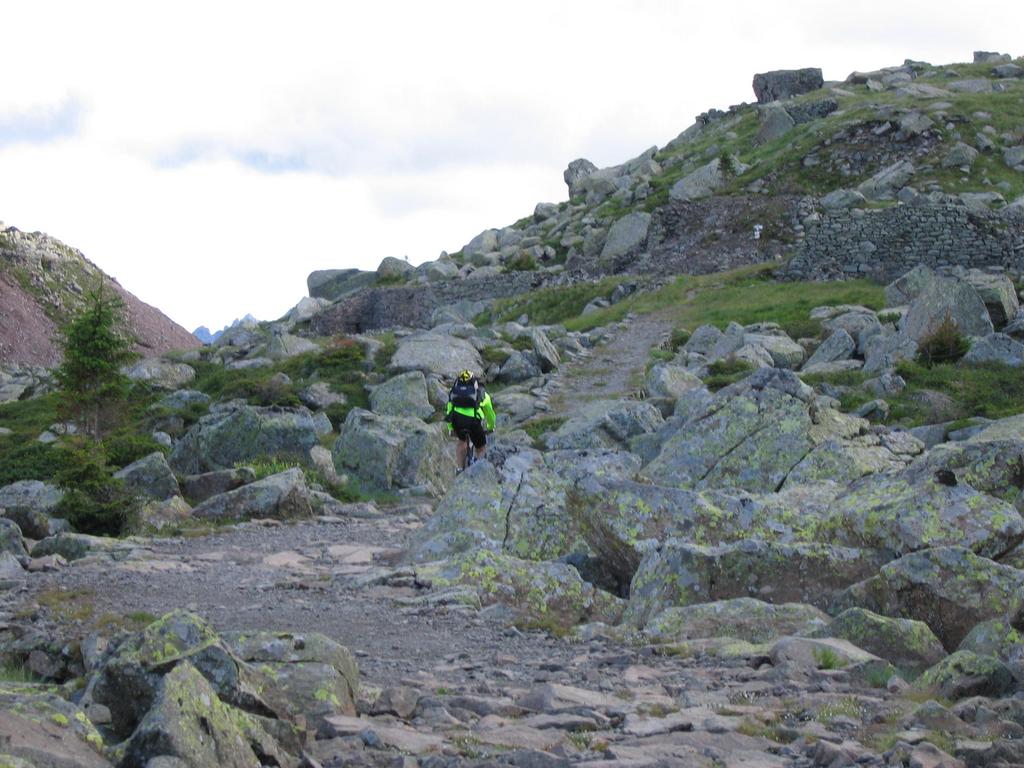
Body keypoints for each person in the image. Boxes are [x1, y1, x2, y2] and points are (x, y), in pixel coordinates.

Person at [445, 369, 496, 470]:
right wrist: (491, 426)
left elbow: (449, 411)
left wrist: (451, 428)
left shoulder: (454, 393)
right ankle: (478, 469)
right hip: (473, 423)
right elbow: (490, 413)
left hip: (458, 422)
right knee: (480, 447)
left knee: (461, 442)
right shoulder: (482, 394)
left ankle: (459, 469)